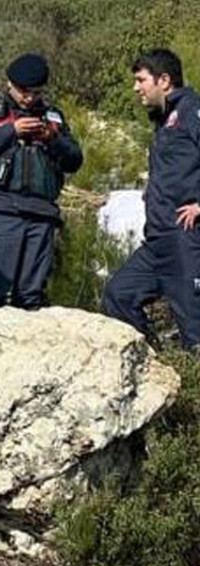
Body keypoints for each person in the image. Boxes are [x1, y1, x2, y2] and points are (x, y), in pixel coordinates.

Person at [0, 53, 83, 309]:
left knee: (31, 298)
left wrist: (51, 139)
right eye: (24, 92)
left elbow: (74, 160)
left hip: (41, 216)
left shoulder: (52, 116)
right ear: (10, 84)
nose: (29, 98)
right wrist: (10, 131)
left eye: (35, 92)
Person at [103, 49, 200, 347]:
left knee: (195, 332)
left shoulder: (191, 110)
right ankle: (155, 368)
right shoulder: (164, 119)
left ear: (165, 80)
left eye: (141, 80)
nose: (136, 88)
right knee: (117, 295)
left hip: (185, 239)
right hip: (157, 241)